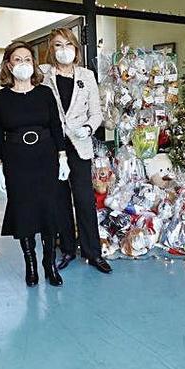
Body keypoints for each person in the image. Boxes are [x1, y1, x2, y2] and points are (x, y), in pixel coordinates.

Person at [0, 41, 69, 287]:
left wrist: (63, 156)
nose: (23, 64)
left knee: (49, 211)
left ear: (33, 64)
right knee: (24, 213)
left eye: (27, 59)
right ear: (8, 64)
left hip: (46, 158)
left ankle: (49, 264)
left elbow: (56, 126)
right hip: (16, 161)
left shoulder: (45, 93)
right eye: (17, 59)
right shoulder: (0, 98)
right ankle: (31, 264)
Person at [39, 28, 112, 274]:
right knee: (59, 200)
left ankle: (93, 253)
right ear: (51, 49)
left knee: (84, 200)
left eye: (68, 44)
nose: (63, 50)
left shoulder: (86, 76)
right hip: (53, 147)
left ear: (76, 49)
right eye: (58, 45)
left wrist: (89, 128)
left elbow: (97, 113)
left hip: (80, 145)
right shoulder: (43, 74)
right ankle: (68, 249)